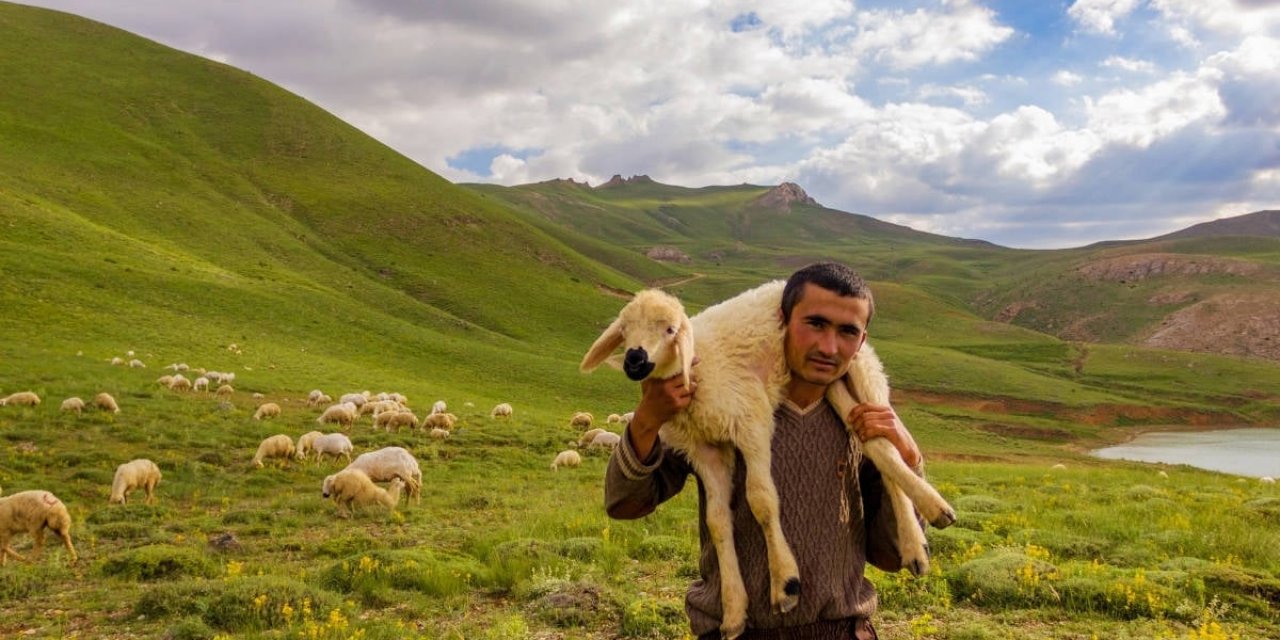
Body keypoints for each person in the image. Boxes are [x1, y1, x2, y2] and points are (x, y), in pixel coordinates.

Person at [604, 261, 925, 640]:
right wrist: (647, 419)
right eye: (815, 324)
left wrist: (909, 460)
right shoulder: (712, 401)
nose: (828, 347)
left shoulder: (861, 421)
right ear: (782, 319)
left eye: (847, 332)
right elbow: (625, 504)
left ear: (862, 340)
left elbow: (890, 554)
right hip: (737, 631)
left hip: (840, 630)